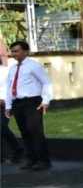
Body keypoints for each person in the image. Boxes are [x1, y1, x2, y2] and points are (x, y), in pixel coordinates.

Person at [4, 40, 53, 170]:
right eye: (12, 51)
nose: (13, 54)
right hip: (18, 103)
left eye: (16, 51)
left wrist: (46, 101)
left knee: (35, 131)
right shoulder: (13, 68)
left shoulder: (34, 66)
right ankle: (31, 159)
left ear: (26, 52)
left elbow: (46, 83)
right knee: (24, 132)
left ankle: (44, 161)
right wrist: (8, 106)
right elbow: (9, 88)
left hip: (32, 102)